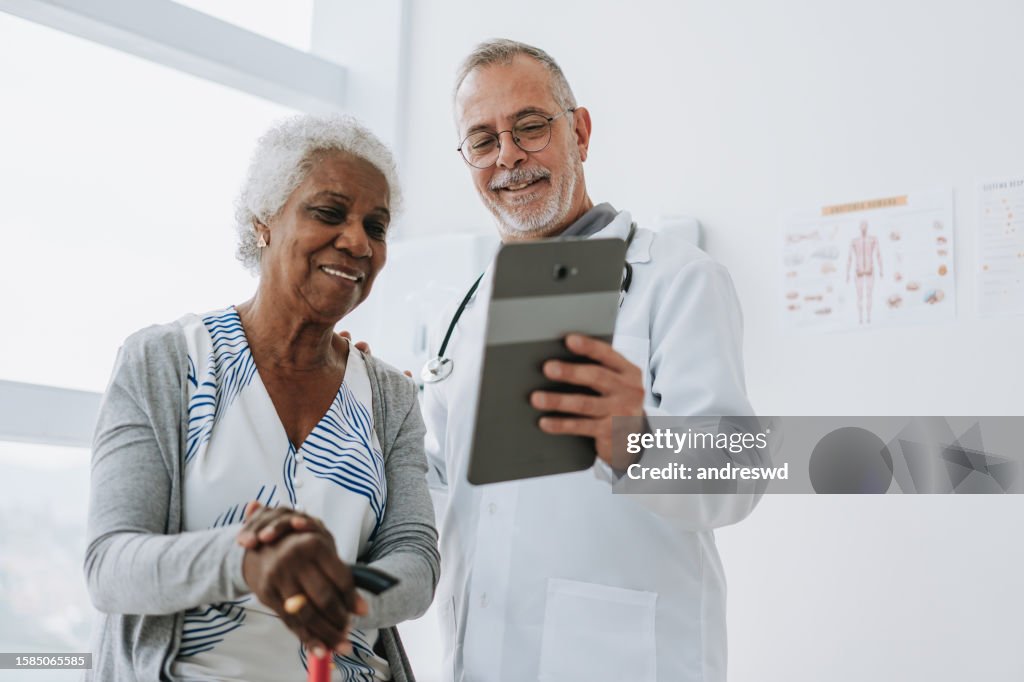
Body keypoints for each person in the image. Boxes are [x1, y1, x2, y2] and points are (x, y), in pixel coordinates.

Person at [420, 39, 767, 681]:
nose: (508, 156)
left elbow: (737, 477)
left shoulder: (679, 279)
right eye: (483, 140)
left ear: (579, 132)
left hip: (622, 659)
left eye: (530, 126)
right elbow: (443, 488)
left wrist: (636, 440)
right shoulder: (461, 311)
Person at [84, 115, 439, 682]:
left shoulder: (389, 395)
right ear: (263, 223)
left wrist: (336, 592)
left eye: (376, 226)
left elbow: (415, 559)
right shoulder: (167, 361)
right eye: (329, 213)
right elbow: (110, 567)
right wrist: (247, 560)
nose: (358, 242)